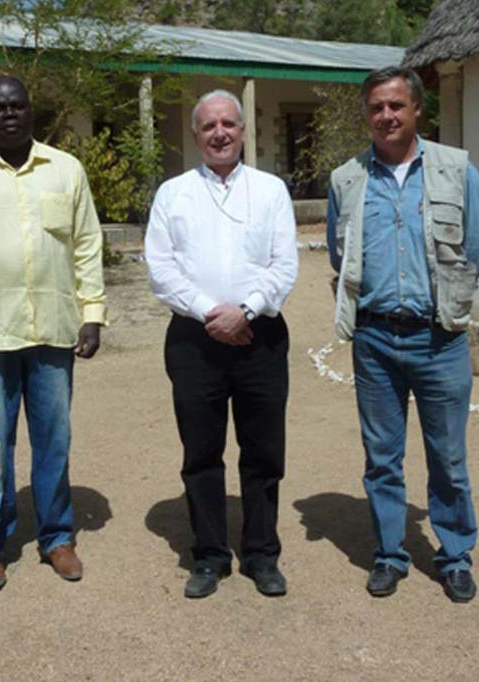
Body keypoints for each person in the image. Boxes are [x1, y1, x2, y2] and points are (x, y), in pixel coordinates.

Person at [326, 66, 479, 603]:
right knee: (381, 458)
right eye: (376, 107)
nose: (386, 116)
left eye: (396, 105)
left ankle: (454, 556)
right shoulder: (346, 180)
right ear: (366, 113)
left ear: (417, 109)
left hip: (439, 339)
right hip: (375, 341)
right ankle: (390, 555)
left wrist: (444, 300)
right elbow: (340, 252)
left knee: (448, 458)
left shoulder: (455, 169)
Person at [0, 76, 106, 591]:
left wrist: (93, 312)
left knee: (54, 439)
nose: (8, 114)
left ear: (31, 111)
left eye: (17, 105)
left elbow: (86, 245)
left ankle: (57, 537)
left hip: (54, 332)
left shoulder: (65, 170)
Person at [145, 90, 299, 599]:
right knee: (201, 454)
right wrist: (212, 312)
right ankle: (209, 556)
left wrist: (246, 310)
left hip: (261, 339)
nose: (219, 133)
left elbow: (284, 265)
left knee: (262, 453)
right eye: (209, 125)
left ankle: (261, 555)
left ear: (243, 131)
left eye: (229, 124)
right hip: (195, 341)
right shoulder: (173, 194)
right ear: (195, 135)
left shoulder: (272, 190)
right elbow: (161, 268)